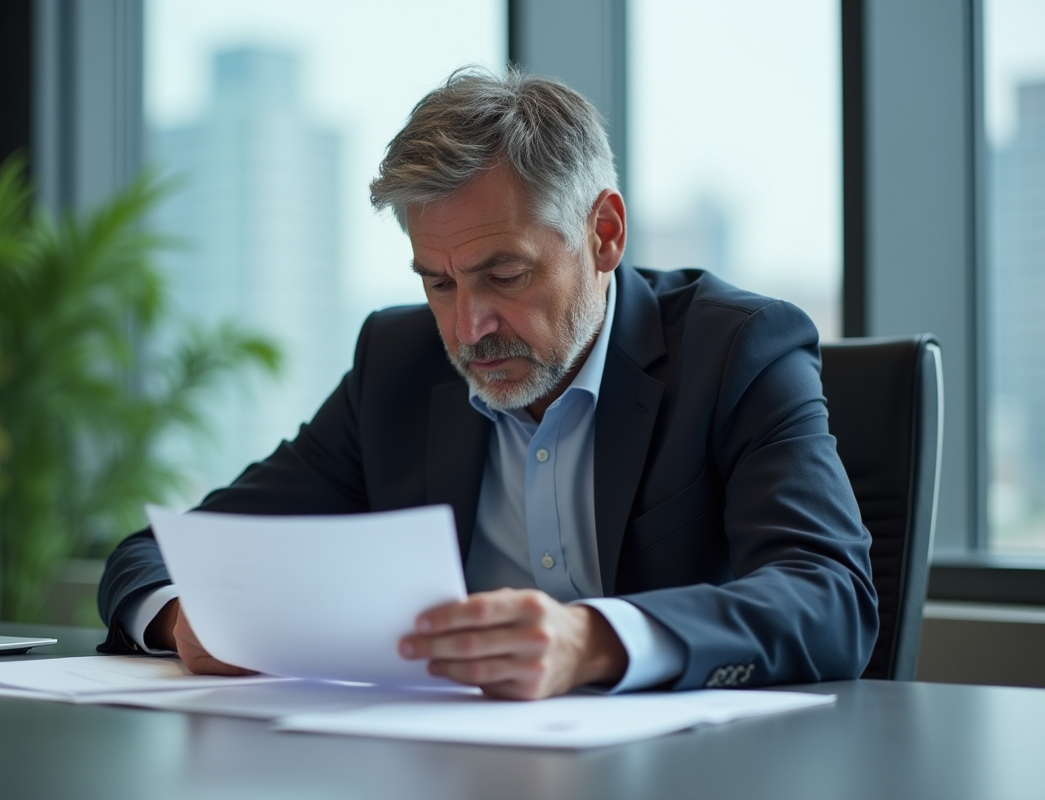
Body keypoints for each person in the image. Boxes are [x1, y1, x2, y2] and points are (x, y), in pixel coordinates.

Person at [97, 67, 878, 700]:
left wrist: (595, 640)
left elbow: (831, 597)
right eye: (438, 283)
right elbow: (161, 553)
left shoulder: (737, 349)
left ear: (603, 234)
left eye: (503, 274)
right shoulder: (396, 365)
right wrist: (180, 620)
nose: (469, 328)